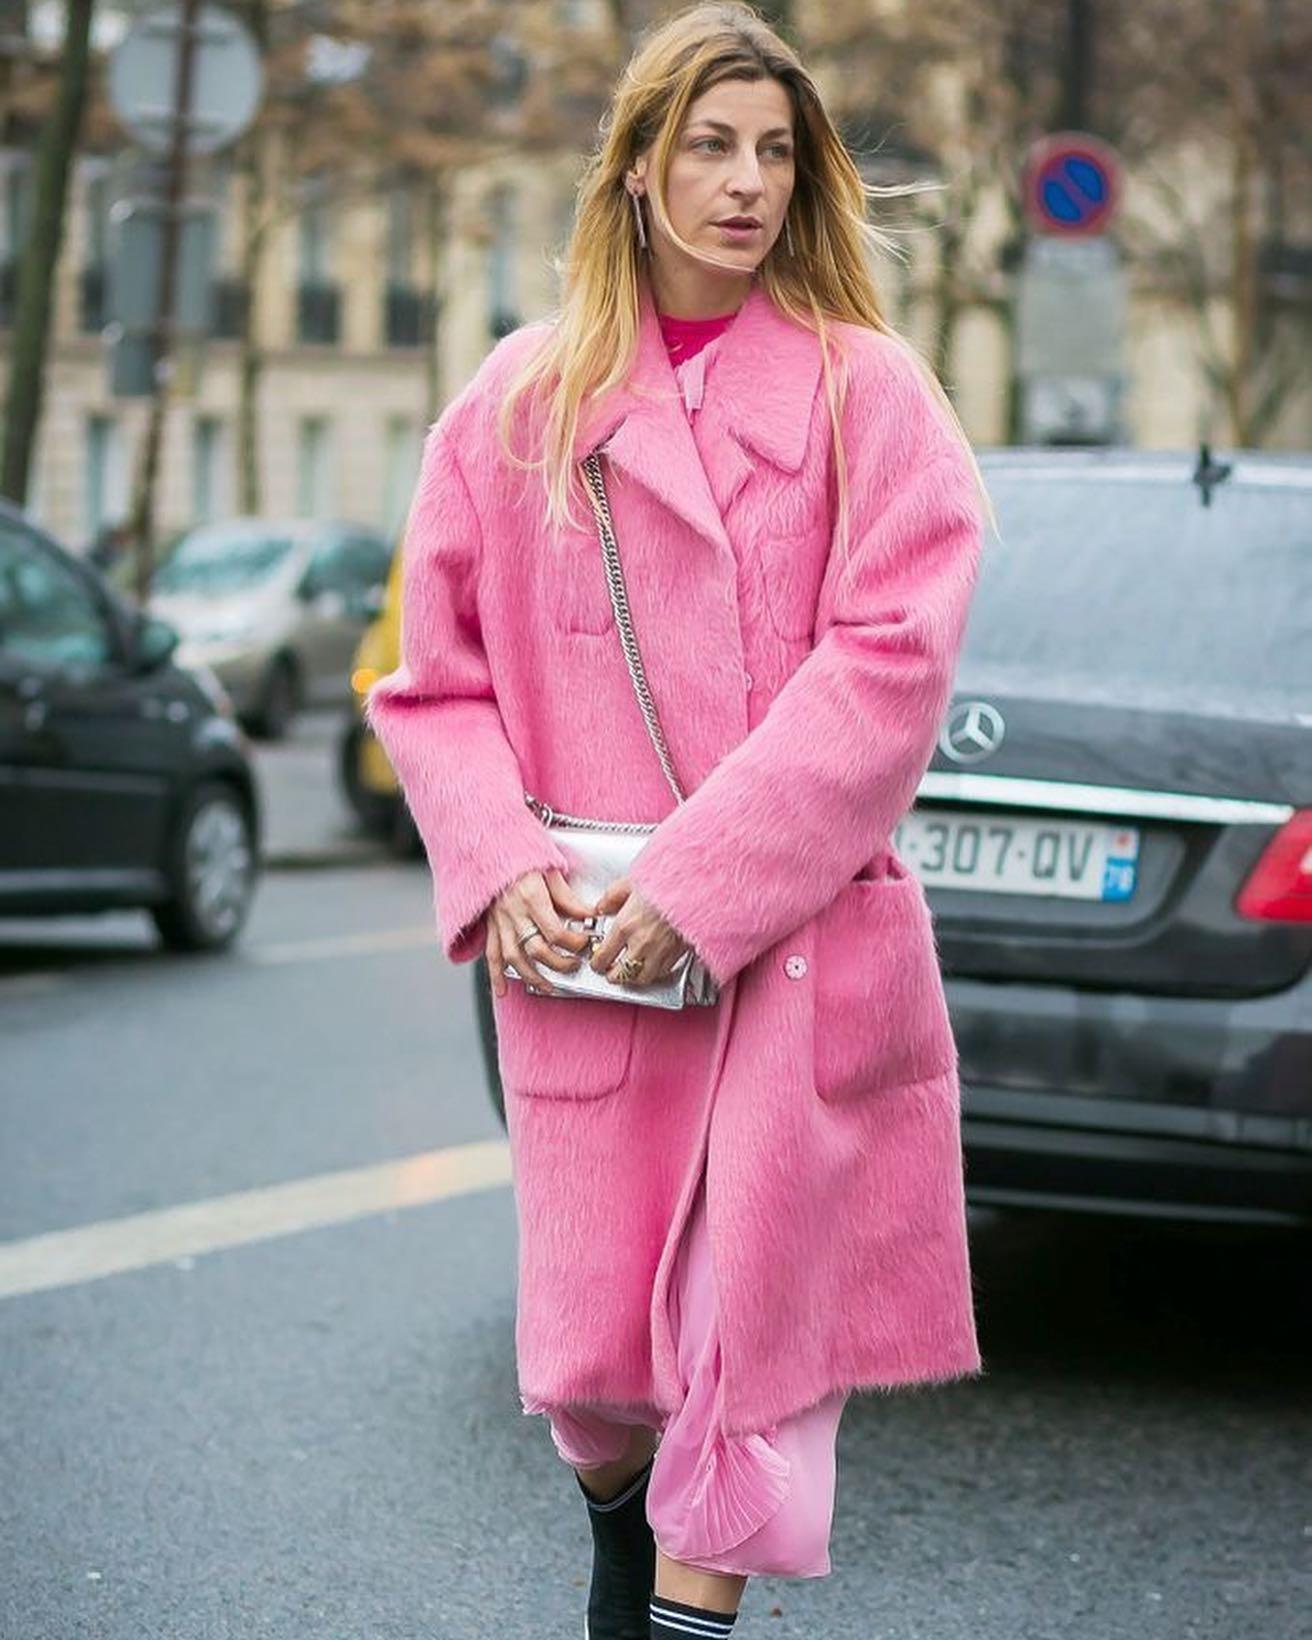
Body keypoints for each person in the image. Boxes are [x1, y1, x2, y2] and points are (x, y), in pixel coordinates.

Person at [366, 5, 993, 1636]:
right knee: (597, 1389)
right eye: (710, 145)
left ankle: (678, 1607)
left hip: (792, 958)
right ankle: (616, 1520)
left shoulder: (870, 397)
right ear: (637, 168)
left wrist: (707, 885)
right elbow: (434, 685)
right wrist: (500, 864)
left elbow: (891, 668)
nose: (746, 183)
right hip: (585, 958)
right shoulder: (518, 405)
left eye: (775, 150)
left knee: (749, 1364)